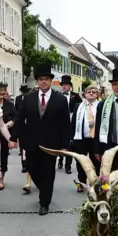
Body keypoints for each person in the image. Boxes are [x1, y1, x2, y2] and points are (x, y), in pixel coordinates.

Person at [9, 64, 70, 215]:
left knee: (48, 172)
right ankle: (44, 189)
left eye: (46, 79)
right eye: (41, 79)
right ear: (37, 81)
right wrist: (13, 137)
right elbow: (20, 118)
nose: (43, 82)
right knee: (32, 169)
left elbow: (65, 124)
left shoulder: (60, 100)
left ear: (51, 81)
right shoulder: (28, 98)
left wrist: (65, 145)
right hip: (31, 142)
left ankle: (44, 202)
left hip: (51, 143)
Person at [71, 85, 101, 192]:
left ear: (98, 94)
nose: (91, 93)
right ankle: (81, 183)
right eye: (89, 92)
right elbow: (73, 122)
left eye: (94, 92)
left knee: (97, 163)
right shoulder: (78, 106)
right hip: (81, 139)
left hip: (96, 140)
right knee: (81, 163)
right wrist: (71, 138)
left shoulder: (101, 106)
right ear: (84, 94)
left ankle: (96, 183)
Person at [0, 82, 16, 190]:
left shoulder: (9, 104)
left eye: (4, 90)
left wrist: (10, 123)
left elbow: (16, 117)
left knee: (3, 156)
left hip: (4, 135)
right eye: (0, 90)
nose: (2, 92)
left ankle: (1, 179)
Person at [57, 75, 82, 174]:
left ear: (70, 86)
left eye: (66, 85)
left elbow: (80, 106)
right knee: (60, 142)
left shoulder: (75, 96)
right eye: (63, 85)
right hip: (60, 121)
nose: (64, 87)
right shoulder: (57, 95)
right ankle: (60, 158)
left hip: (72, 121)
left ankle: (68, 165)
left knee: (70, 144)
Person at [15, 83, 30, 172]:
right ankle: (24, 164)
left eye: (26, 91)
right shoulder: (18, 98)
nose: (24, 93)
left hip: (30, 125)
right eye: (23, 91)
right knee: (22, 147)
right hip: (22, 126)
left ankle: (30, 163)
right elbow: (16, 110)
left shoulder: (31, 98)